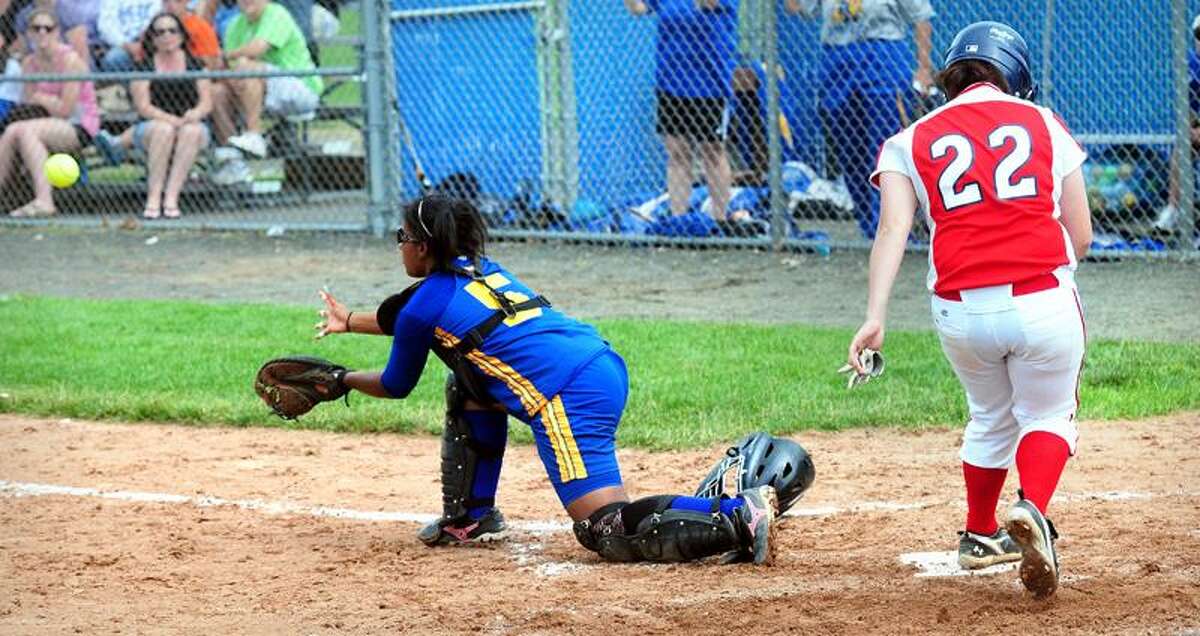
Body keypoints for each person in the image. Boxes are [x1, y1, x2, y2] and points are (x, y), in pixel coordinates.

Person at [314, 194, 781, 565]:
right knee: (470, 382)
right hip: (600, 364)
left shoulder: (424, 305)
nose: (399, 246)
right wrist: (350, 319)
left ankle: (739, 511)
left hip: (565, 394)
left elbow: (397, 381)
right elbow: (417, 316)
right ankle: (471, 519)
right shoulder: (483, 272)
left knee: (605, 527)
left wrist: (342, 380)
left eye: (403, 237)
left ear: (423, 246)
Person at [845, 22, 1092, 599]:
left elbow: (891, 229)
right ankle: (1032, 508)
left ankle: (980, 534)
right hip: (1041, 299)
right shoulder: (1044, 123)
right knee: (1049, 415)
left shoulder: (909, 138)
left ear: (951, 74)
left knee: (989, 417)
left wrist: (875, 315)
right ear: (1015, 75)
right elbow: (1080, 236)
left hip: (959, 310)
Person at [785, 0, 934, 239]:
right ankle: (870, 224)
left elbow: (922, 18)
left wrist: (923, 67)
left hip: (882, 53)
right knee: (847, 146)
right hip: (837, 57)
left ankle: (893, 224)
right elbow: (798, 8)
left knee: (885, 145)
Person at [624, 0, 738, 232]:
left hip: (710, 84)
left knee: (712, 151)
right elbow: (638, 8)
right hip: (672, 82)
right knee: (678, 153)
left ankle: (720, 219)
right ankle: (678, 219)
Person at [0, 9, 98, 217]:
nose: (42, 33)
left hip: (77, 124)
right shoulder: (29, 63)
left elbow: (65, 109)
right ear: (29, 34)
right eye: (36, 28)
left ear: (57, 32)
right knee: (12, 130)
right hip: (42, 121)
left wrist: (42, 98)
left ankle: (45, 201)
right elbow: (28, 104)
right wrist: (47, 101)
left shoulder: (71, 62)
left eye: (48, 28)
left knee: (26, 131)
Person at [122, 12, 212, 219]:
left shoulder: (196, 64)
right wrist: (171, 120)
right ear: (152, 38)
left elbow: (206, 103)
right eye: (160, 32)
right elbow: (143, 106)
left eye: (172, 30)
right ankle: (154, 197)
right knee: (163, 130)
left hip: (190, 123)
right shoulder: (143, 67)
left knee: (191, 131)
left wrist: (194, 113)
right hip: (152, 126)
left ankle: (171, 197)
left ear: (182, 36)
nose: (166, 36)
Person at [211, 0, 320, 159]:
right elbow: (231, 68)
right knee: (217, 91)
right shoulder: (234, 25)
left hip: (300, 88)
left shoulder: (276, 13)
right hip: (257, 91)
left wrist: (227, 55)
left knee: (246, 68)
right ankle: (232, 153)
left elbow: (258, 48)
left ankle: (254, 135)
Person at [96, 0, 161, 72]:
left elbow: (157, 18)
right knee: (114, 58)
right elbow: (106, 26)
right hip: (123, 45)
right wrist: (126, 45)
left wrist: (143, 42)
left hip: (152, 42)